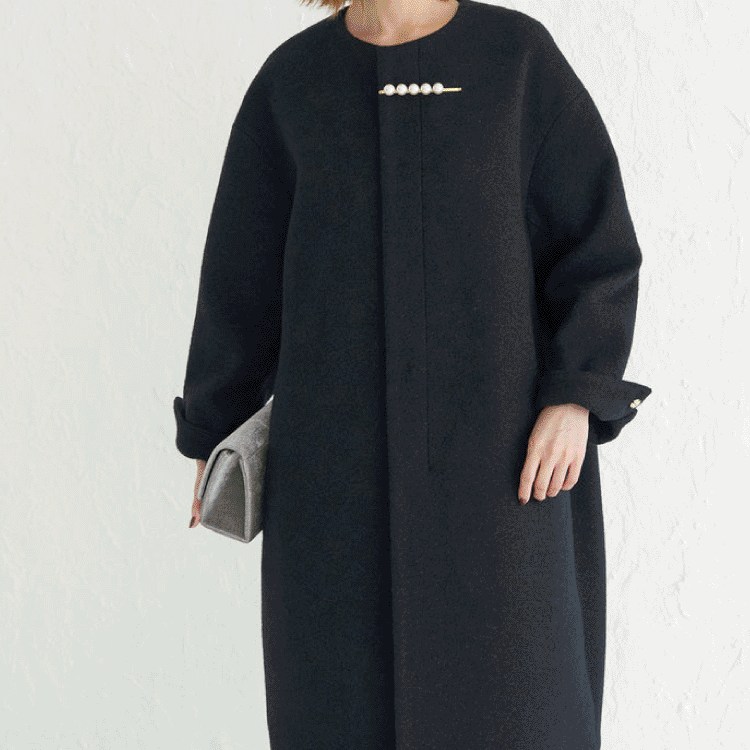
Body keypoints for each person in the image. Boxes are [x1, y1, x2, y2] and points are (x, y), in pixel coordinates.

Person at [174, 1, 652, 747]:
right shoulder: (292, 83)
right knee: (338, 715)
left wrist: (577, 396)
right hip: (332, 489)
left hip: (507, 478)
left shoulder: (517, 59)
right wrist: (214, 427)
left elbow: (598, 249)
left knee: (519, 711)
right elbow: (240, 280)